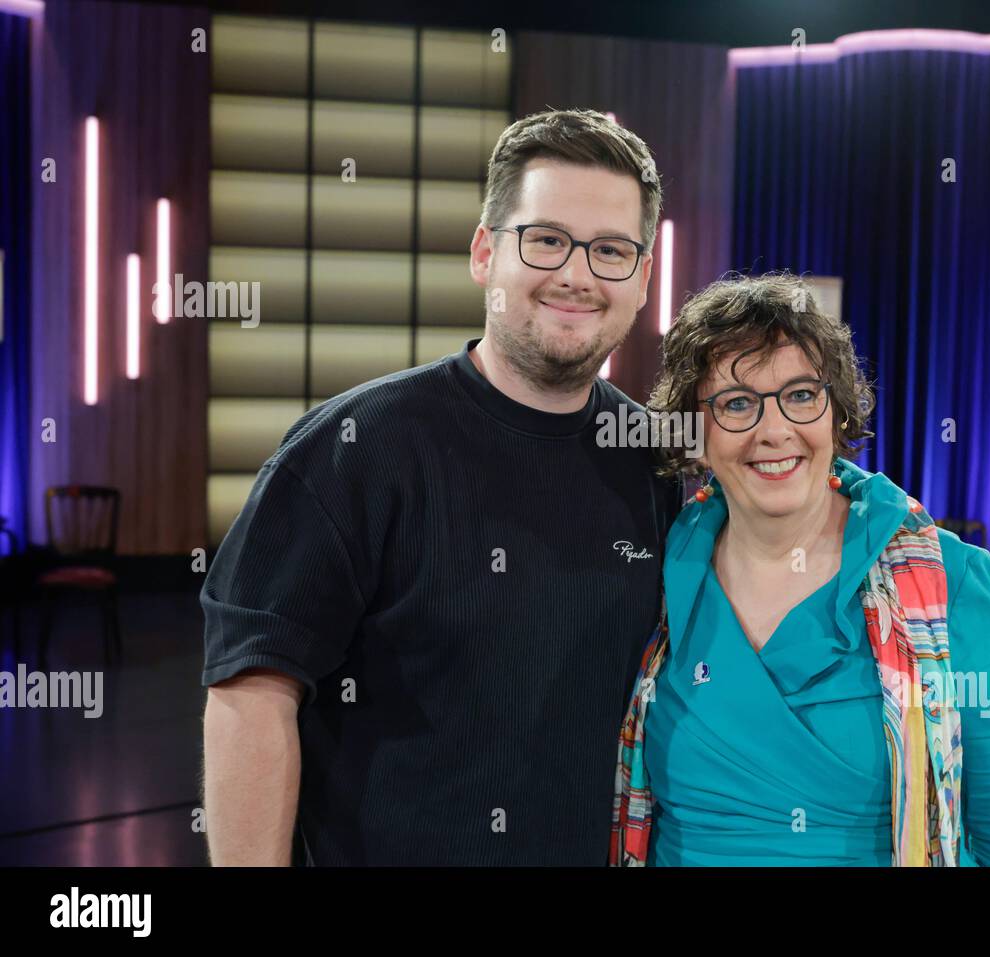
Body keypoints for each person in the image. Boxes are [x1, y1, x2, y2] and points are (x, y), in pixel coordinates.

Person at [201, 109, 681, 865]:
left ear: (644, 278)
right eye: (547, 239)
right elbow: (250, 696)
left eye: (611, 250)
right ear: (485, 252)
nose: (578, 274)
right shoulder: (354, 448)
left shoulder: (659, 463)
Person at [611, 273, 990, 866]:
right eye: (737, 403)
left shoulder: (948, 582)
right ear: (695, 434)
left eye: (801, 395)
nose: (775, 431)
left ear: (836, 414)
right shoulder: (661, 569)